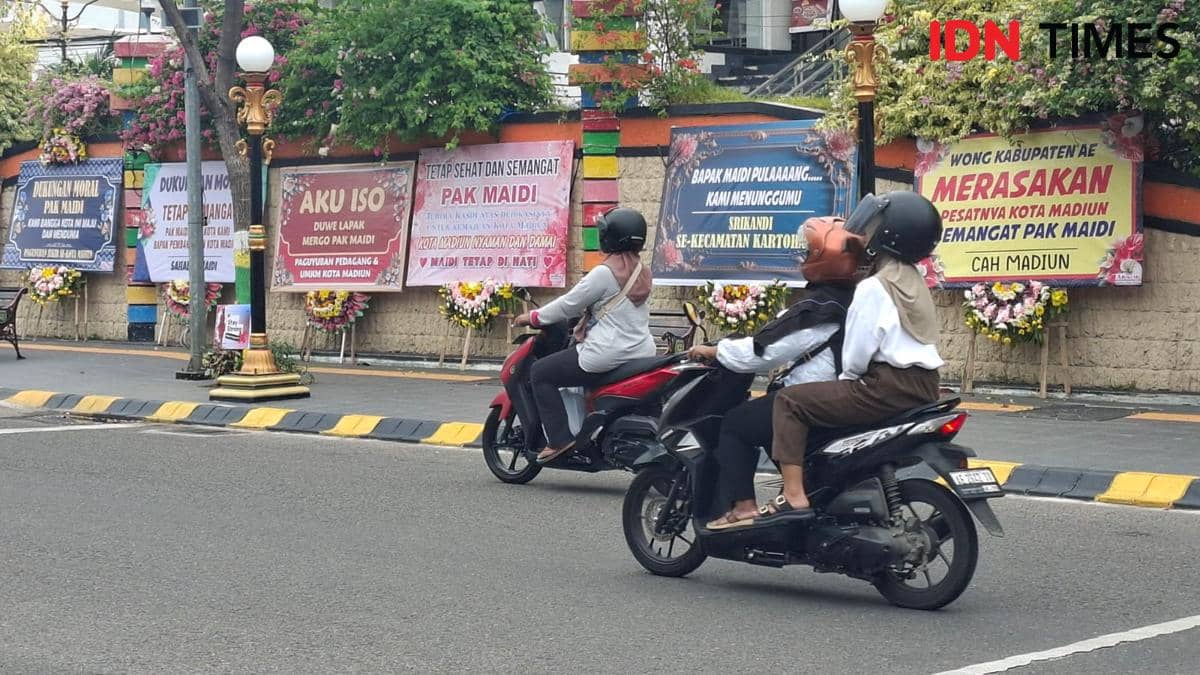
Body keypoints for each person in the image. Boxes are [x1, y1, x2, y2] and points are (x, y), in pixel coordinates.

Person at [760, 191, 946, 520]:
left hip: (885, 387)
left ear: (889, 235)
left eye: (873, 228)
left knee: (789, 402)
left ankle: (792, 494)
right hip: (925, 385)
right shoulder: (912, 281)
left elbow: (858, 353)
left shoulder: (874, 286)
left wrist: (847, 380)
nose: (864, 236)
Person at [688, 216, 863, 530]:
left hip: (812, 396)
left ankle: (743, 507)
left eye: (809, 251)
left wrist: (713, 351)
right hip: (842, 393)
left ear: (823, 258)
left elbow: (763, 353)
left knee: (736, 424)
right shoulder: (852, 300)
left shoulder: (818, 308)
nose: (803, 257)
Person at [513, 207, 656, 464]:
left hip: (606, 353)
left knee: (540, 372)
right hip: (641, 351)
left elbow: (569, 304)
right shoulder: (643, 271)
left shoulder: (604, 272)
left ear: (612, 237)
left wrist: (533, 317)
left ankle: (559, 439)